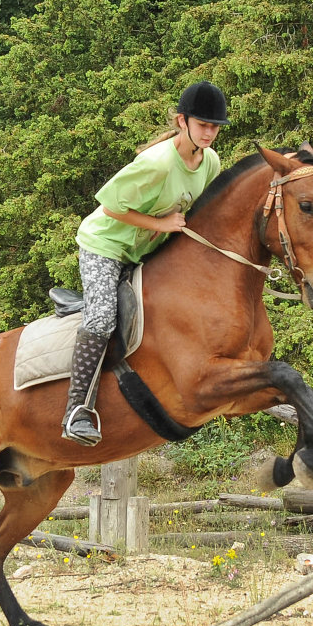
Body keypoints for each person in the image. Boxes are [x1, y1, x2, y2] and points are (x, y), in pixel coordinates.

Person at [62, 80, 231, 445]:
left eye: (215, 126)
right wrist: (161, 224)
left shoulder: (210, 162)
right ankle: (77, 410)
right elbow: (111, 207)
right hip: (105, 245)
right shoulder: (156, 162)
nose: (210, 133)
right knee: (102, 318)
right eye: (203, 124)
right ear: (182, 121)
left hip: (143, 250)